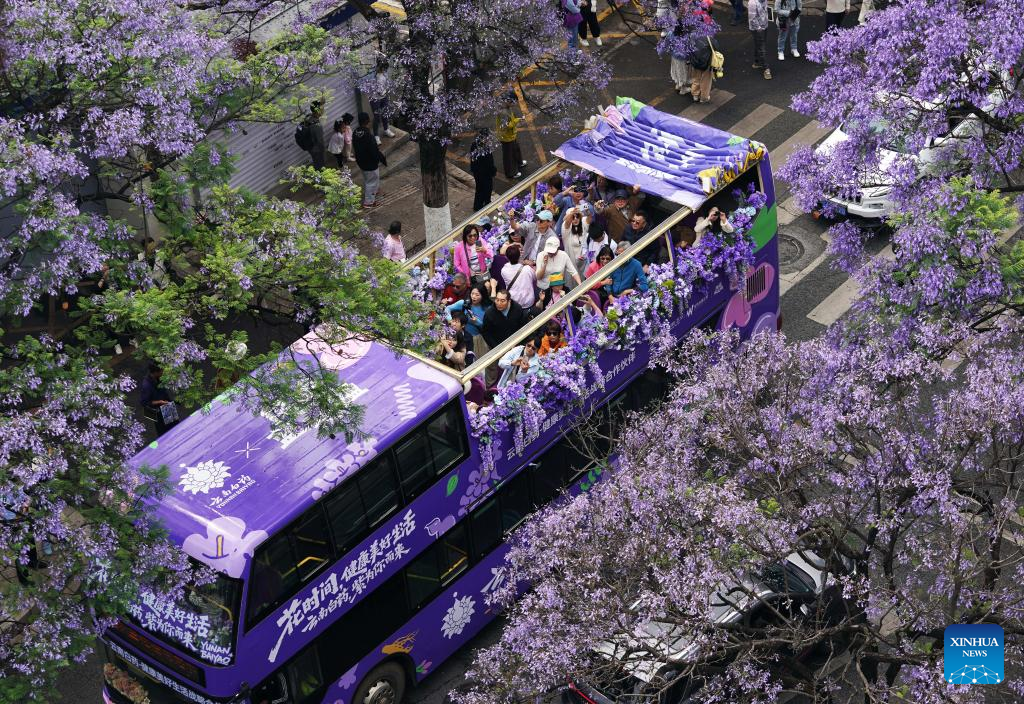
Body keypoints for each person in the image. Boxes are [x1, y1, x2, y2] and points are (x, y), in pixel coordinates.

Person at [482, 290, 528, 385]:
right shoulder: (489, 313)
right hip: (495, 345)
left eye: (502, 301)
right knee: (491, 367)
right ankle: (489, 387)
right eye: (497, 300)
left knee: (512, 366)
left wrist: (518, 345)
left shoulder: (517, 309)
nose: (499, 303)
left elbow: (522, 328)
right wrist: (496, 348)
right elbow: (486, 332)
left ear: (509, 301)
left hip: (514, 345)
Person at [453, 224, 497, 297]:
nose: (473, 238)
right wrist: (465, 274)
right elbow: (457, 264)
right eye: (470, 236)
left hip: (482, 273)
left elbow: (491, 255)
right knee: (477, 293)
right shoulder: (459, 247)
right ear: (465, 236)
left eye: (475, 235)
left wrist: (484, 250)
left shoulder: (480, 241)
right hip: (471, 276)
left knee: (487, 287)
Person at [352, 112, 384, 208]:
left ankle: (374, 191)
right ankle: (369, 202)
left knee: (368, 178)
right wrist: (378, 159)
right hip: (369, 163)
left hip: (361, 161)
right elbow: (373, 150)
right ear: (367, 121)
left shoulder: (355, 132)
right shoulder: (368, 135)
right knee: (372, 181)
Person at [140, 363, 179, 436]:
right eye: (161, 370)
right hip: (159, 412)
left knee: (176, 427)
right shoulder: (147, 386)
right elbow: (144, 402)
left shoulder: (159, 377)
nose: (163, 372)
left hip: (167, 405)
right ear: (155, 372)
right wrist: (160, 402)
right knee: (165, 433)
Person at [496, 100, 527, 179]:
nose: (514, 103)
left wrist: (517, 119)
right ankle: (510, 173)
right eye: (512, 102)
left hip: (511, 135)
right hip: (506, 138)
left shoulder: (507, 108)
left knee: (516, 149)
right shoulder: (503, 113)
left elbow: (511, 120)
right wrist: (517, 120)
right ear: (508, 101)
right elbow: (507, 126)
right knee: (508, 156)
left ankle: (519, 163)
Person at [470, 129, 498, 211]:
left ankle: (477, 205)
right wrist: (493, 171)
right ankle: (486, 204)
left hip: (477, 172)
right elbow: (489, 163)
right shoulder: (485, 148)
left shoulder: (474, 144)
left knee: (479, 189)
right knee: (487, 188)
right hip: (485, 173)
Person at [370, 63, 396, 145]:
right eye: (384, 68)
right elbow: (379, 91)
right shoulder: (373, 75)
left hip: (384, 97)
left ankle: (386, 129)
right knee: (377, 117)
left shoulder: (384, 74)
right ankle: (376, 136)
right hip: (375, 99)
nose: (385, 69)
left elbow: (386, 84)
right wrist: (386, 91)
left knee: (385, 114)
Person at [689, 33, 720, 104]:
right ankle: (704, 98)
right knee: (706, 81)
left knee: (696, 78)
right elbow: (716, 47)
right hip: (706, 62)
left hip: (695, 62)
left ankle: (695, 95)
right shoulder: (709, 38)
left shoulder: (693, 35)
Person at [560, 206, 590, 275]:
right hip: (571, 264)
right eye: (573, 217)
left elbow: (589, 218)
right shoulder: (565, 230)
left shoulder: (583, 225)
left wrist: (587, 211)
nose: (575, 219)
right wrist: (572, 213)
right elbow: (567, 223)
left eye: (577, 217)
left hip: (584, 263)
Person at [749, 0, 772, 80]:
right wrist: (759, 28)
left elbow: (765, 11)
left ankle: (757, 62)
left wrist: (767, 21)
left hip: (764, 26)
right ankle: (766, 69)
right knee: (762, 47)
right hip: (757, 29)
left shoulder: (764, 1)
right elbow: (752, 19)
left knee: (758, 44)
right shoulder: (752, 2)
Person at [300, 102, 326, 169]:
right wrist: (323, 149)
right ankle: (320, 173)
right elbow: (319, 141)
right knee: (320, 164)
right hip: (316, 149)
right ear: (318, 111)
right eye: (322, 108)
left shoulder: (308, 117)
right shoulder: (316, 125)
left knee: (316, 161)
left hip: (310, 147)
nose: (323, 110)